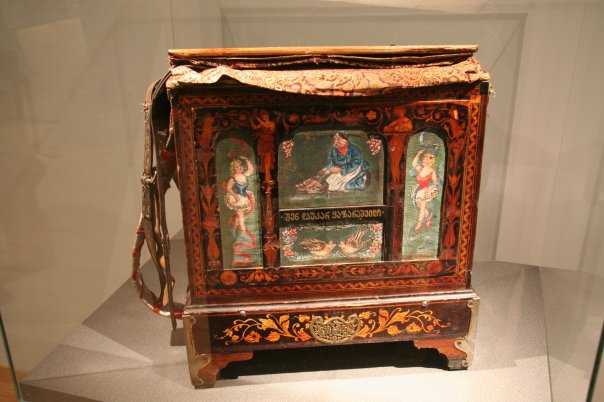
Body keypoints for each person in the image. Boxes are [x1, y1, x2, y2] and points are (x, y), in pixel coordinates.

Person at [223, 156, 255, 233]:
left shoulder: (245, 175)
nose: (239, 167)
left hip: (244, 197)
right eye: (237, 167)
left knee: (240, 214)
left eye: (240, 165)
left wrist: (246, 159)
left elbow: (251, 169)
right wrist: (235, 196)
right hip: (237, 198)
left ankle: (234, 228)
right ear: (234, 169)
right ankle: (243, 231)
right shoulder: (233, 178)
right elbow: (228, 188)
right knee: (240, 214)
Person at [411, 149, 439, 232]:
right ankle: (428, 220)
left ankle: (419, 224)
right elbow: (414, 163)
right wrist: (418, 153)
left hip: (426, 191)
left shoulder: (431, 171)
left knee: (422, 208)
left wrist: (430, 189)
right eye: (424, 159)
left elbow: (436, 183)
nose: (424, 161)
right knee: (420, 206)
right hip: (419, 190)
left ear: (430, 162)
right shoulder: (420, 169)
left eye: (426, 160)